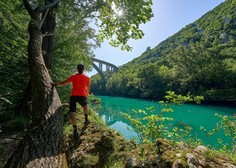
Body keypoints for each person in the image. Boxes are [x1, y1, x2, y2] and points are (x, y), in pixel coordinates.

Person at [54, 64, 90, 138]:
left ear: (77, 69)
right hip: (81, 96)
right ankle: (86, 120)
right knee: (85, 106)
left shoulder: (73, 77)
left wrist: (56, 84)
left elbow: (64, 82)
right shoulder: (87, 78)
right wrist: (86, 95)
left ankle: (75, 130)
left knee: (73, 113)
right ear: (83, 69)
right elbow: (88, 88)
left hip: (73, 96)